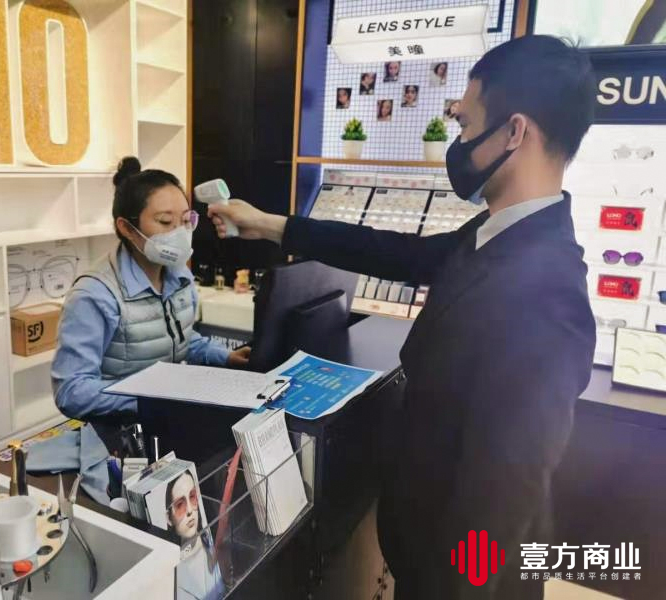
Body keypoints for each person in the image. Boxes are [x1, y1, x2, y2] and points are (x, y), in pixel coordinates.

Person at [207, 35, 596, 599]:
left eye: (466, 125)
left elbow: (505, 490)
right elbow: (393, 252)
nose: (459, 142)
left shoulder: (547, 291)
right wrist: (270, 225)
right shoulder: (497, 235)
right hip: (423, 550)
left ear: (515, 132)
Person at [52, 156, 250, 421]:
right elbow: (72, 392)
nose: (180, 233)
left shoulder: (180, 276)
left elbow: (178, 338)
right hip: (121, 432)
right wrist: (153, 399)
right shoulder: (95, 295)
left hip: (168, 419)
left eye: (186, 220)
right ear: (127, 228)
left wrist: (226, 357)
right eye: (165, 222)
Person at [167, 470, 224, 600]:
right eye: (180, 505)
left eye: (192, 497)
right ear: (169, 518)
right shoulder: (172, 575)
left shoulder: (211, 543)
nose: (189, 510)